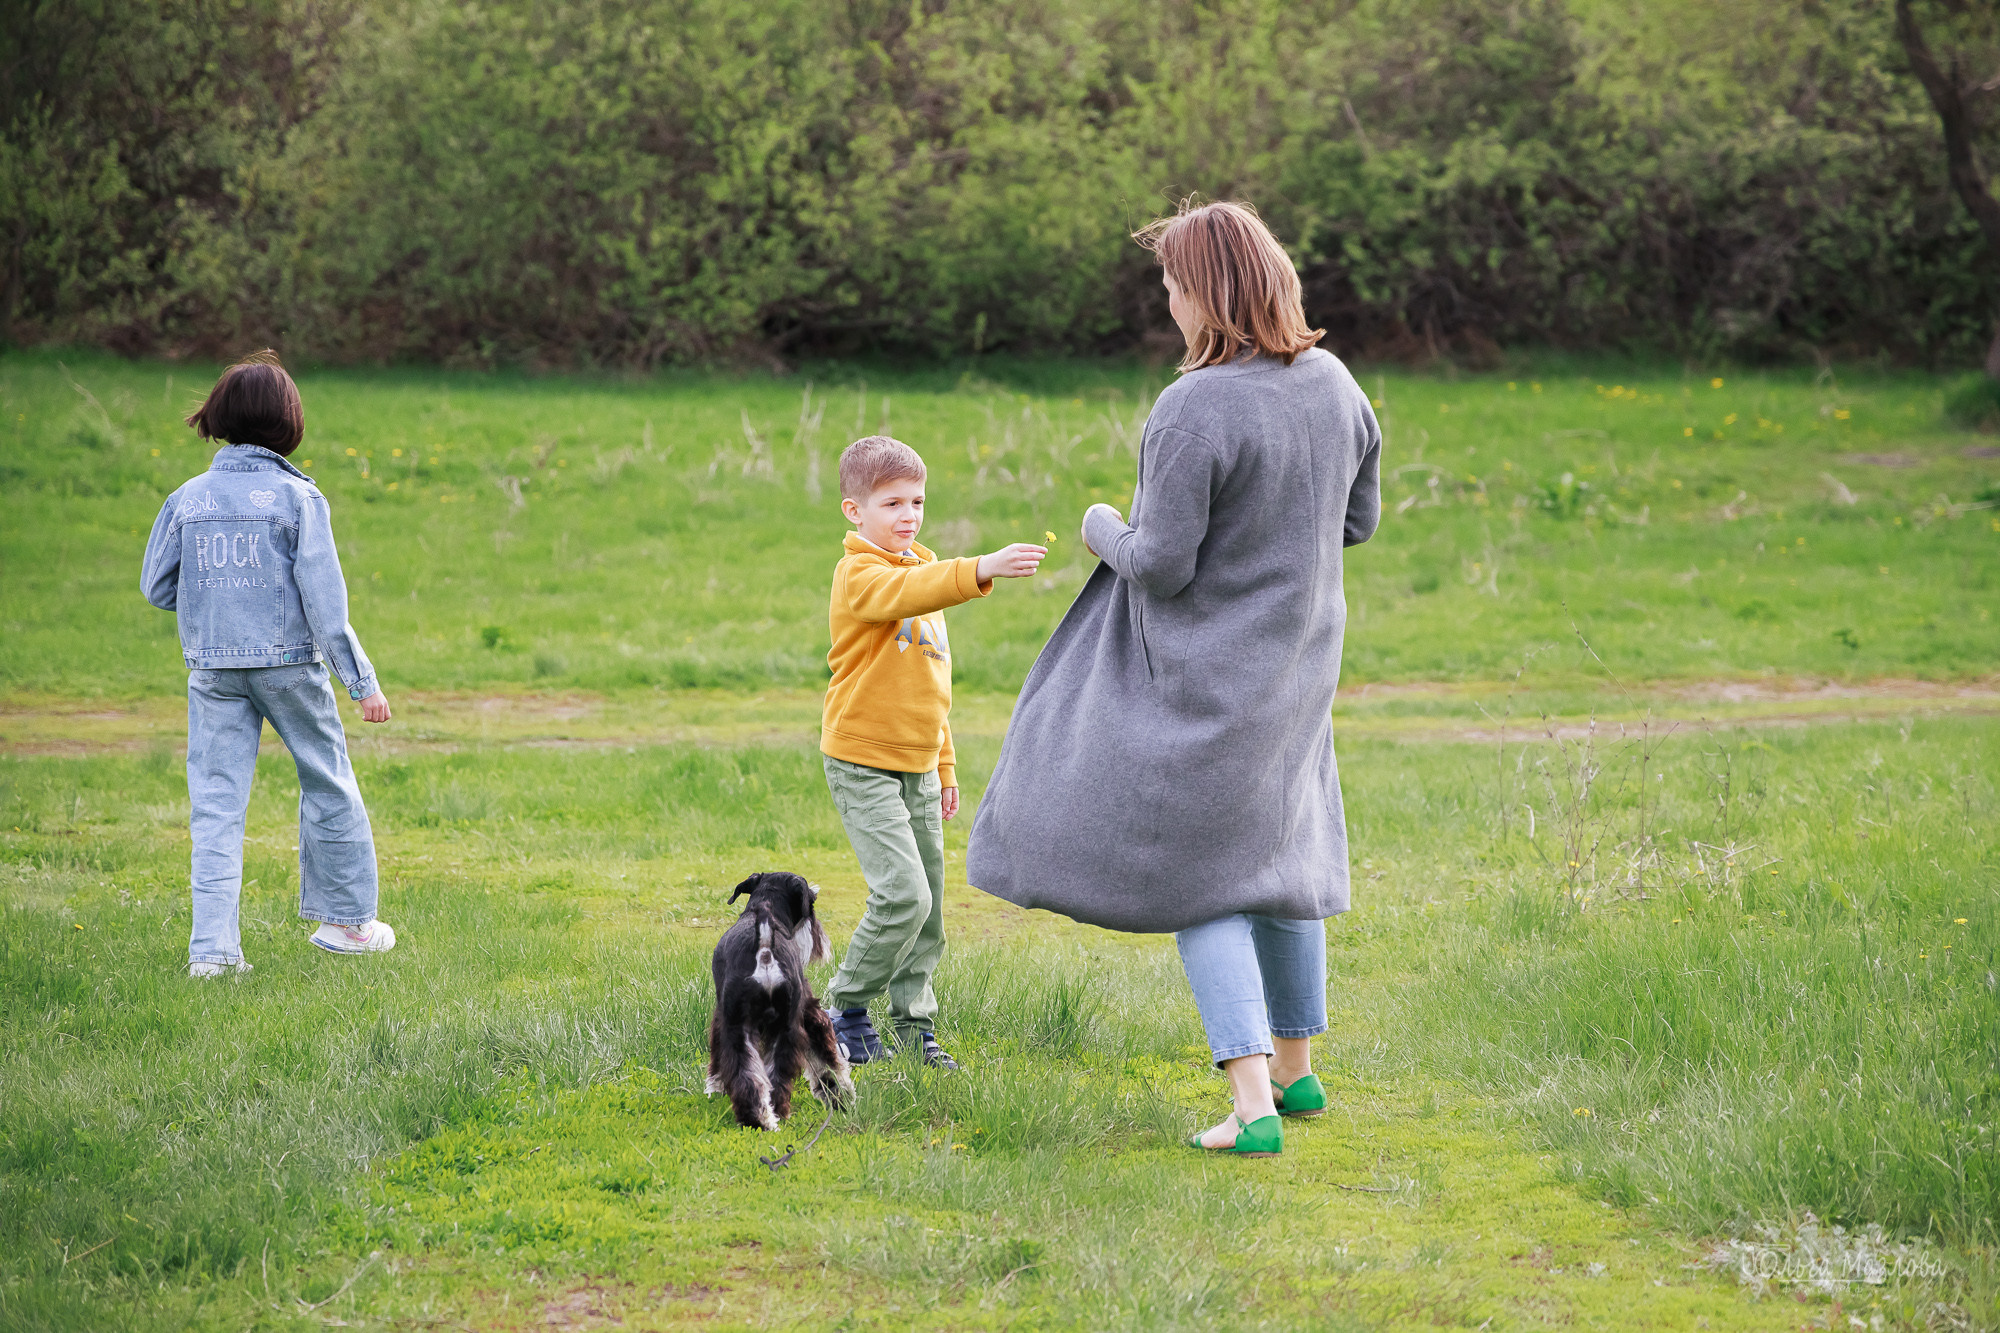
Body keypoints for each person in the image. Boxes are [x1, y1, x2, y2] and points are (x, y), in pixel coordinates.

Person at [967, 200, 1382, 1155]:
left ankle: (1250, 1106)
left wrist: (1099, 522)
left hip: (1207, 683)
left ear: (1208, 289)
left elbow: (1160, 563)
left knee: (1205, 883)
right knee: (1280, 862)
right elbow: (1354, 525)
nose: (1168, 305)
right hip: (1298, 671)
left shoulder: (1194, 406)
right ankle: (1296, 1067)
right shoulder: (1333, 381)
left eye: (1171, 285)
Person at [140, 350, 399, 977]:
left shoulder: (187, 498)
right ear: (289, 423)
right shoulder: (299, 498)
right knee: (327, 780)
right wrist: (362, 684)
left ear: (221, 416)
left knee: (217, 806)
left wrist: (213, 599)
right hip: (289, 666)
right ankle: (346, 925)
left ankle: (214, 955)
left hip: (214, 672)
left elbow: (157, 586)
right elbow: (325, 605)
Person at [818, 435, 1047, 1068]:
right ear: (854, 512)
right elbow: (907, 596)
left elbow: (931, 684)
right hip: (863, 760)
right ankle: (843, 1008)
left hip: (919, 766)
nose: (909, 514)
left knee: (929, 912)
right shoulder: (861, 575)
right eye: (891, 503)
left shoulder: (920, 570)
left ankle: (914, 1025)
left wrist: (943, 765)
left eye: (916, 501)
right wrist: (981, 568)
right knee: (902, 896)